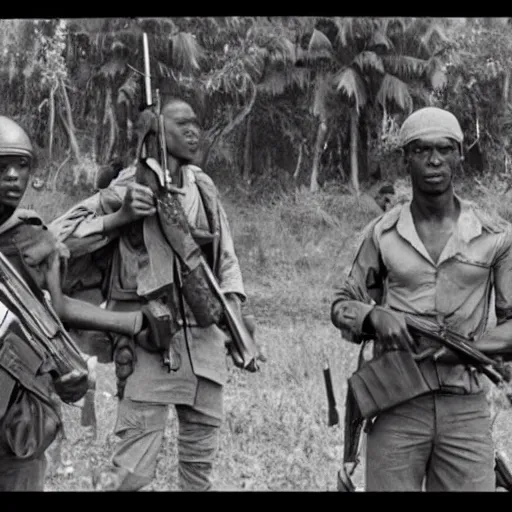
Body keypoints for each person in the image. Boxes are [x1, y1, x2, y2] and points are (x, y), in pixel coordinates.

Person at [50, 97, 256, 492]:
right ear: (156, 132)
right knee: (127, 474)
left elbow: (226, 259)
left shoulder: (204, 188)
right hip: (149, 342)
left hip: (205, 346)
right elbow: (57, 240)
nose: (194, 131)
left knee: (199, 473)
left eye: (197, 123)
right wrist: (119, 218)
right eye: (182, 124)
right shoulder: (131, 185)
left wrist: (236, 314)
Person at [331, 106, 512, 492]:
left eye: (445, 149)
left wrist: (463, 350)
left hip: (464, 405)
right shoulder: (382, 233)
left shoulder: (495, 236)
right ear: (405, 158)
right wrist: (373, 318)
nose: (434, 160)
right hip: (396, 403)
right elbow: (342, 305)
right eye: (421, 150)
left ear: (459, 155)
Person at [0, 116, 147, 491]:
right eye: (2, 166)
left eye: (22, 165)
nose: (13, 176)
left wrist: (129, 323)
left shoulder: (33, 237)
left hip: (18, 410)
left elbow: (56, 311)